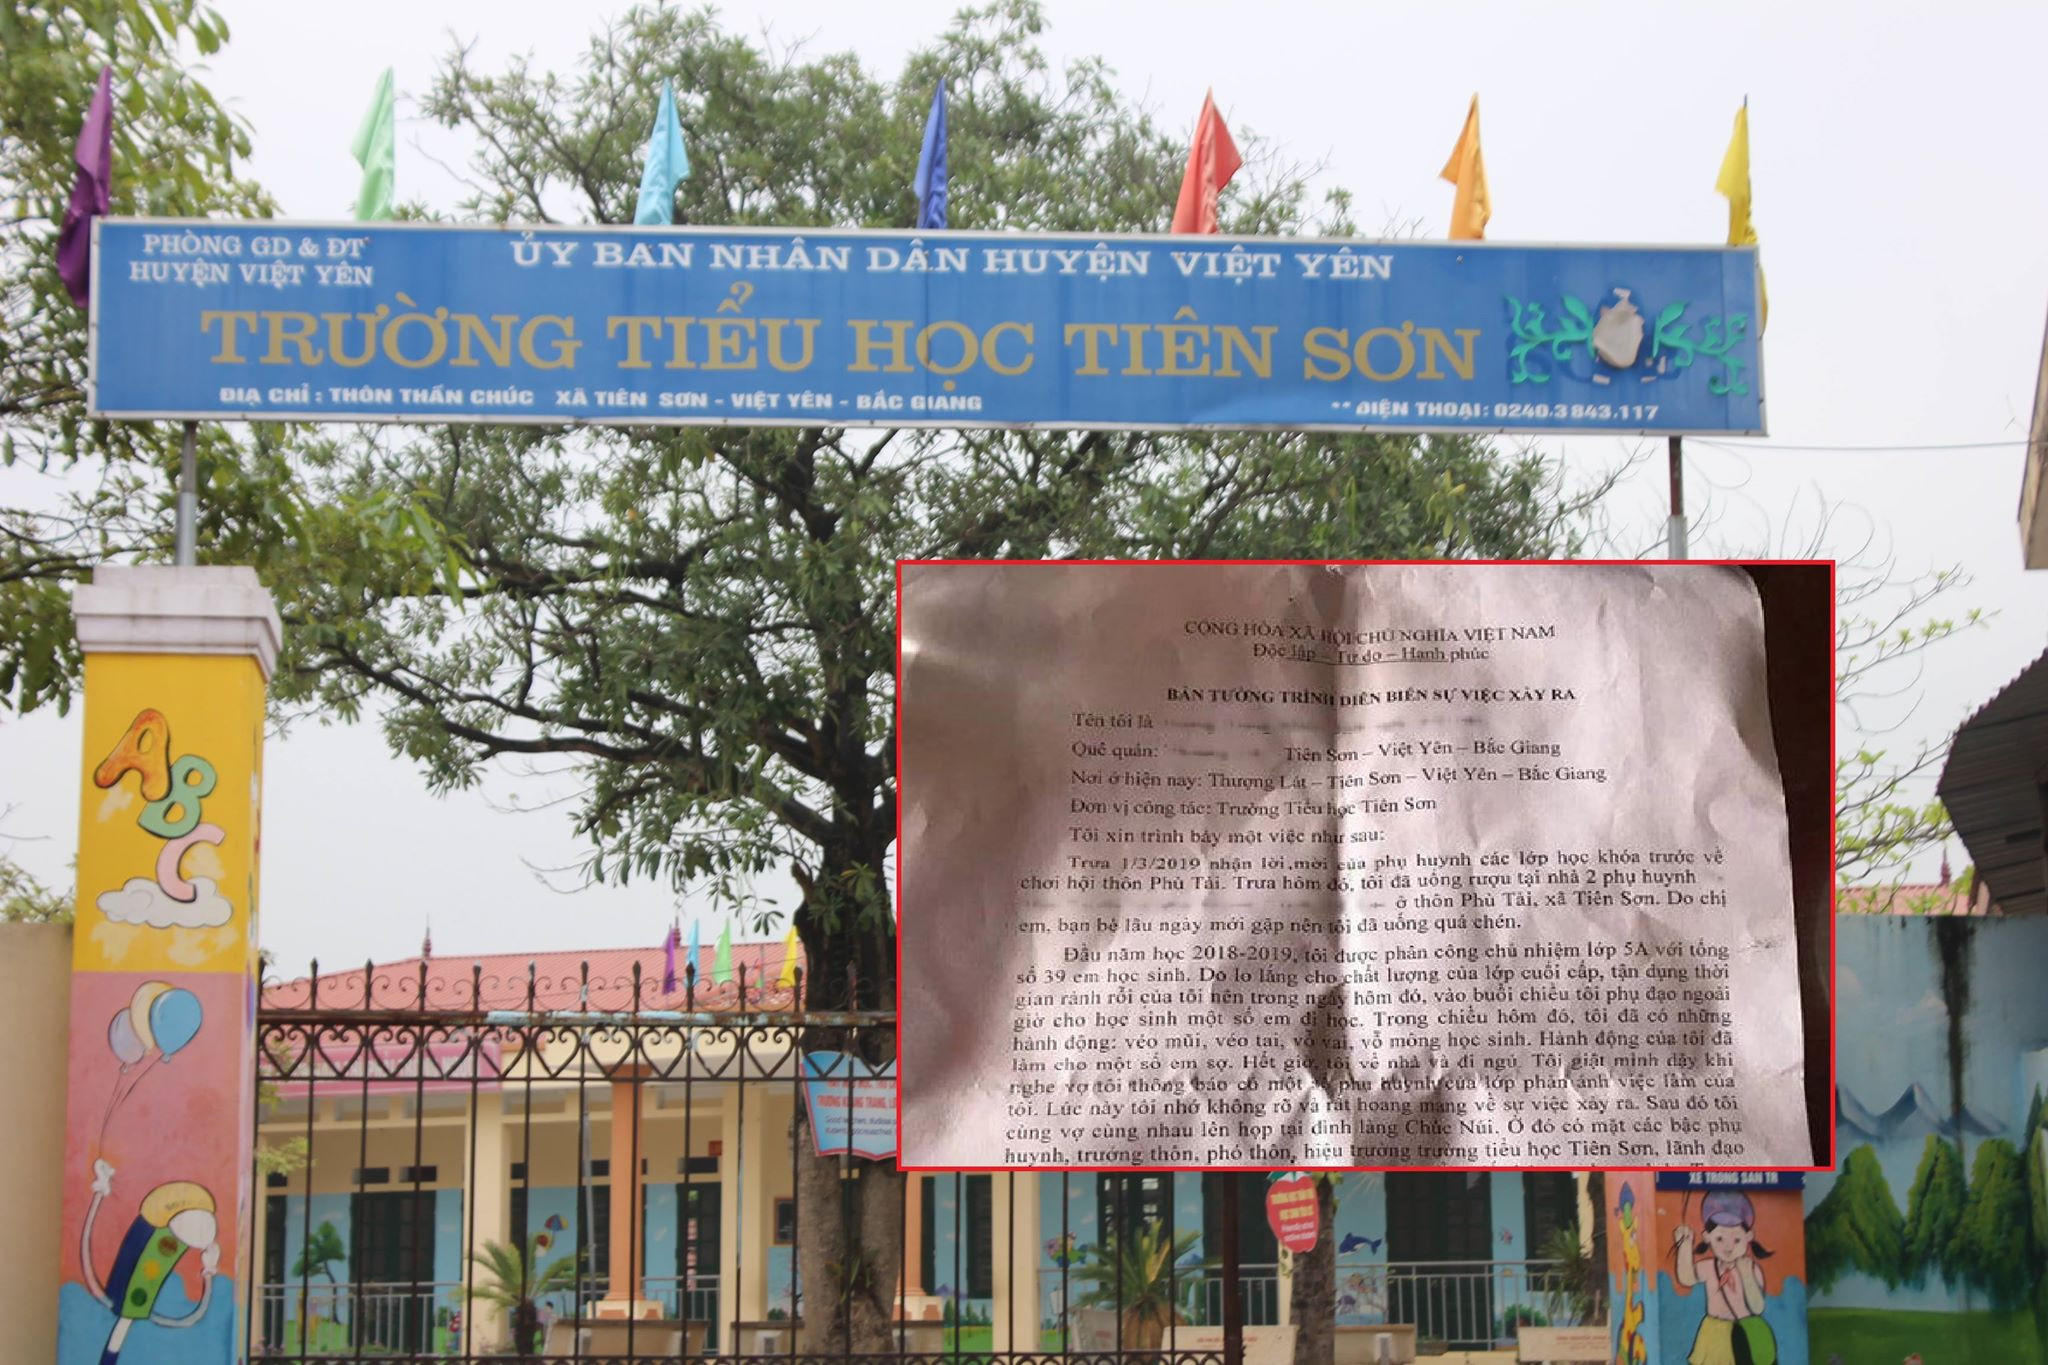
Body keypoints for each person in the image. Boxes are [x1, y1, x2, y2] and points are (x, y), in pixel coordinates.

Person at [80, 1160, 220, 1365]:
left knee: (124, 1322)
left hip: (141, 1282)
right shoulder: (159, 1228)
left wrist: (209, 1268)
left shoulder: (178, 1230)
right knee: (124, 1321)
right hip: (133, 1284)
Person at [1673, 1191, 1775, 1365]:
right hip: (1715, 1334)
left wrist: (1746, 1276)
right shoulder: (1709, 1267)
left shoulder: (1751, 1268)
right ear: (1707, 1237)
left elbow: (1758, 1307)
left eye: (1736, 1240)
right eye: (1719, 1238)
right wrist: (1684, 1246)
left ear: (1748, 1237)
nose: (1728, 1247)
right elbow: (1687, 1278)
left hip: (1745, 1334)